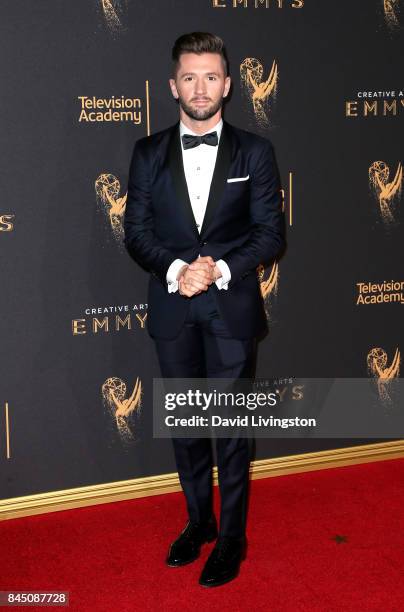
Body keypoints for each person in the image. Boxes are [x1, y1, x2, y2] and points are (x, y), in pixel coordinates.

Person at [124, 32, 285, 587]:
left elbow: (269, 234)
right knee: (190, 426)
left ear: (228, 85)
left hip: (230, 308)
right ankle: (200, 522)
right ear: (173, 85)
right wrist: (176, 271)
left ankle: (234, 537)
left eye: (211, 76)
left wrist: (215, 268)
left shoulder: (256, 152)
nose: (200, 87)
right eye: (190, 77)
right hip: (173, 309)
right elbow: (136, 233)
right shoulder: (147, 153)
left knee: (231, 430)